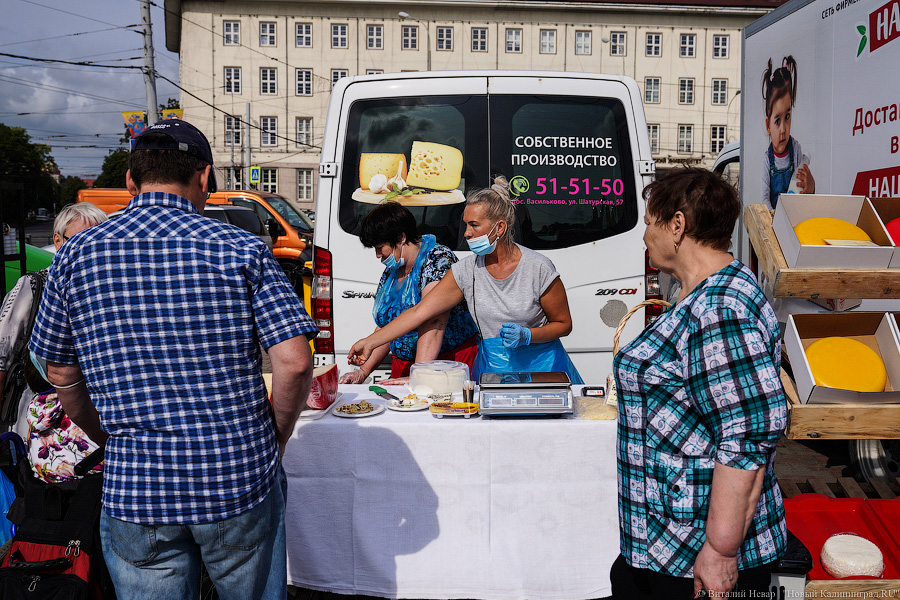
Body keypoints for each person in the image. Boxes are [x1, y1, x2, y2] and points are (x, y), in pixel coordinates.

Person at [29, 118, 318, 600]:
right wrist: (276, 438)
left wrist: (107, 432)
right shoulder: (241, 248)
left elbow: (57, 368)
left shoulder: (76, 254)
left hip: (136, 487)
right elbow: (294, 362)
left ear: (130, 180)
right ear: (204, 177)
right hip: (236, 475)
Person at [611, 167, 787, 599]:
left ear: (677, 225)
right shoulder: (699, 294)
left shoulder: (720, 308)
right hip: (667, 540)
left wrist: (721, 550)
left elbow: (745, 435)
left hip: (693, 553)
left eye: (650, 222)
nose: (644, 236)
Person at [350, 177, 582, 384]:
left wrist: (529, 335)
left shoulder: (538, 267)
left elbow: (564, 324)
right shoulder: (464, 271)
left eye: (474, 225)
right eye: (465, 225)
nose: (466, 234)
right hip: (492, 373)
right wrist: (370, 342)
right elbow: (419, 313)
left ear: (499, 227)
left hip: (543, 371)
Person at [0, 203, 108, 442]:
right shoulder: (33, 285)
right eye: (80, 243)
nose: (90, 252)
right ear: (57, 241)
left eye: (98, 243)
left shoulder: (106, 290)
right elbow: (1, 357)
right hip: (36, 423)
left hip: (90, 425)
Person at [339, 201, 478, 386]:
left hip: (444, 367)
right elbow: (388, 325)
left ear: (401, 238)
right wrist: (363, 372)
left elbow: (434, 321)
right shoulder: (393, 269)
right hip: (406, 368)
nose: (378, 255)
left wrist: (419, 376)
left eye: (380, 247)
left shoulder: (438, 260)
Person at [762, 55, 814, 208]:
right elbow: (764, 197)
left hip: (792, 216)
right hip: (772, 221)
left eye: (787, 117)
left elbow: (801, 191)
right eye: (777, 121)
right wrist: (773, 217)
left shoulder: (796, 149)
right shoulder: (767, 159)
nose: (783, 129)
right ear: (768, 125)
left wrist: (809, 186)